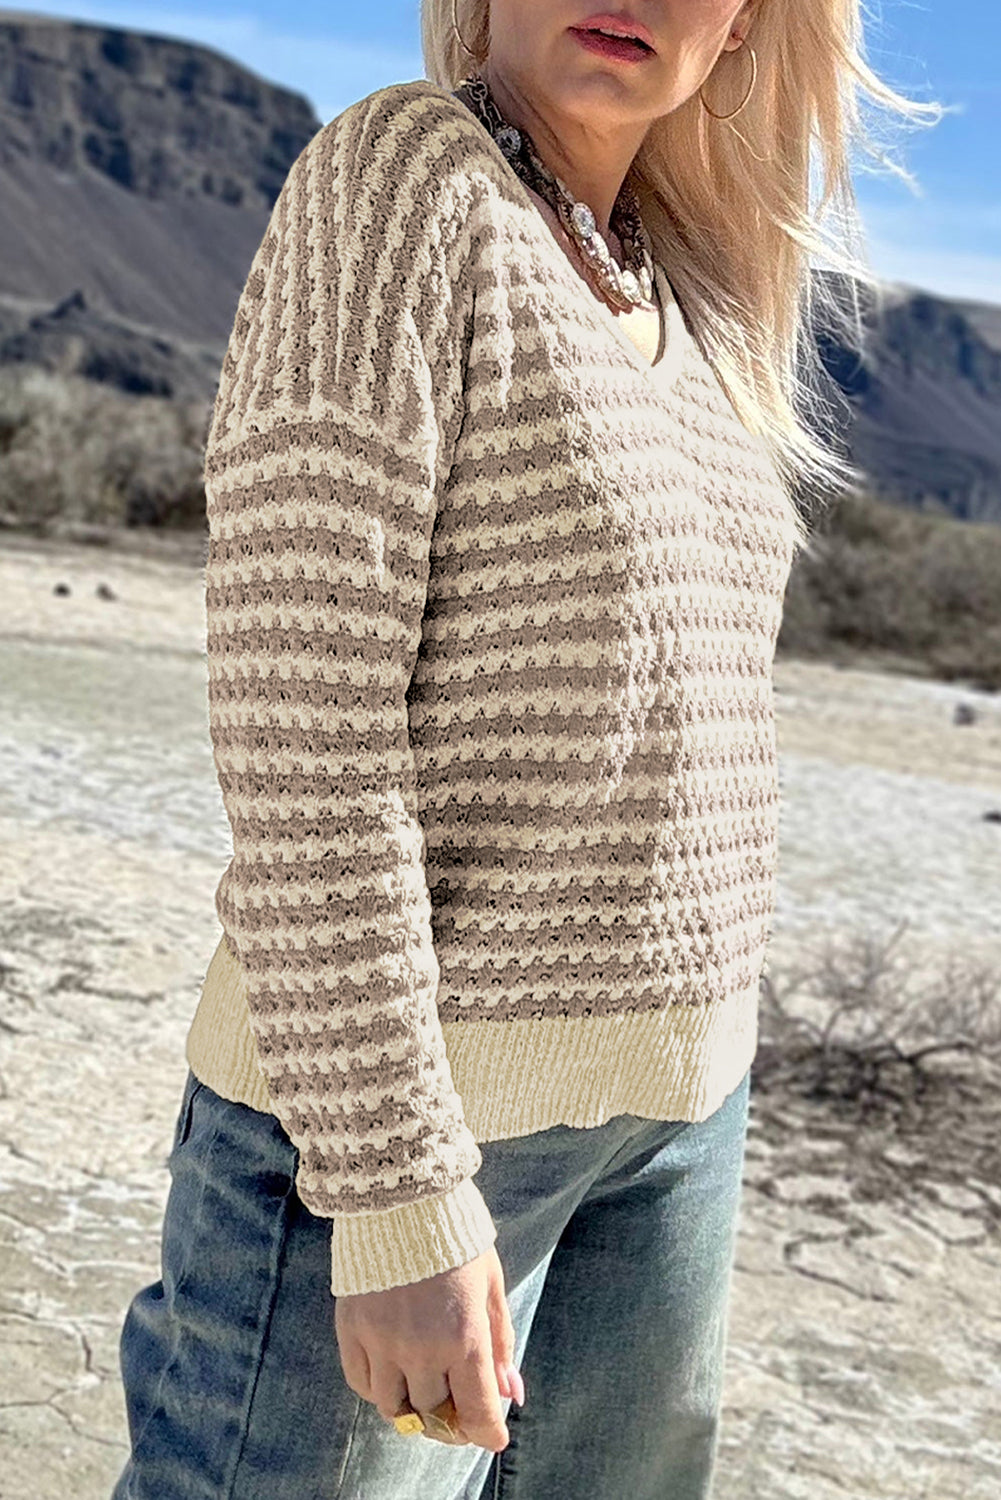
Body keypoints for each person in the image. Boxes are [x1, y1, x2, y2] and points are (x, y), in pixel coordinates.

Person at [111, 3, 940, 1497]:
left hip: (673, 1125)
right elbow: (307, 729)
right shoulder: (404, 181)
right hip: (409, 1126)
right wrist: (397, 1190)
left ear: (748, 23)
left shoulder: (684, 287)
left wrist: (702, 1072)